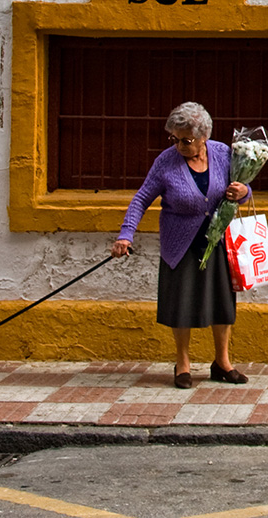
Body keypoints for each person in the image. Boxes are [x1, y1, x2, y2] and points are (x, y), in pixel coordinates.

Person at [111, 102, 251, 389]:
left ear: (204, 136)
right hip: (180, 243)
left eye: (185, 140)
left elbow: (243, 190)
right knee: (182, 304)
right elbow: (141, 199)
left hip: (218, 241)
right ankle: (183, 363)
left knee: (222, 303)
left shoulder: (224, 154)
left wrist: (244, 192)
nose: (179, 145)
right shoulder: (166, 162)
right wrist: (126, 235)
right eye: (174, 139)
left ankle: (222, 362)